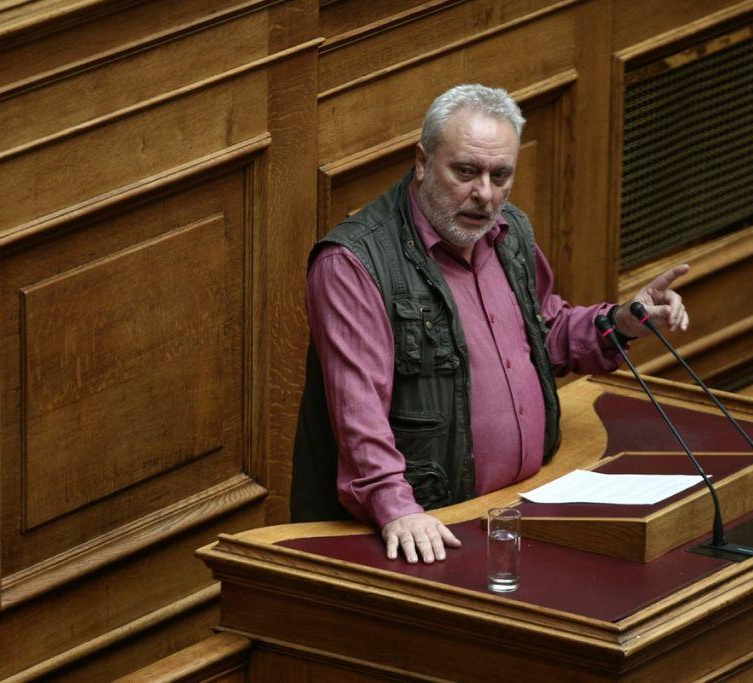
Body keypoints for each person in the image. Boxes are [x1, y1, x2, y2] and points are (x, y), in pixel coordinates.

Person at [291, 84, 689, 564]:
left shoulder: (508, 231)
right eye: (466, 172)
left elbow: (542, 333)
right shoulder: (355, 262)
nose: (484, 194)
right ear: (422, 161)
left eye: (500, 176)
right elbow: (359, 412)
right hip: (422, 531)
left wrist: (620, 322)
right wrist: (398, 510)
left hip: (522, 510)